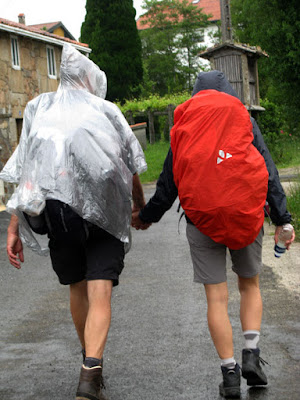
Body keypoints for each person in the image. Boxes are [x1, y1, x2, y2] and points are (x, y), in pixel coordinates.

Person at [131, 70, 295, 398]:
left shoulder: (185, 123)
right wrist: (283, 218)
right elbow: (267, 169)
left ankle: (230, 373)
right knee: (249, 286)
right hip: (245, 214)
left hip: (201, 220)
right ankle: (251, 354)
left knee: (216, 298)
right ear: (227, 93)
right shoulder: (241, 115)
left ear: (195, 95)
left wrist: (146, 217)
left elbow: (169, 181)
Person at [0, 44, 147, 400]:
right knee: (101, 291)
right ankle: (91, 369)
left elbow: (28, 175)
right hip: (105, 215)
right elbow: (126, 162)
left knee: (78, 288)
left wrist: (14, 226)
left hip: (58, 213)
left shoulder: (39, 109)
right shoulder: (105, 110)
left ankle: (89, 365)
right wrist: (139, 206)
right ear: (86, 77)